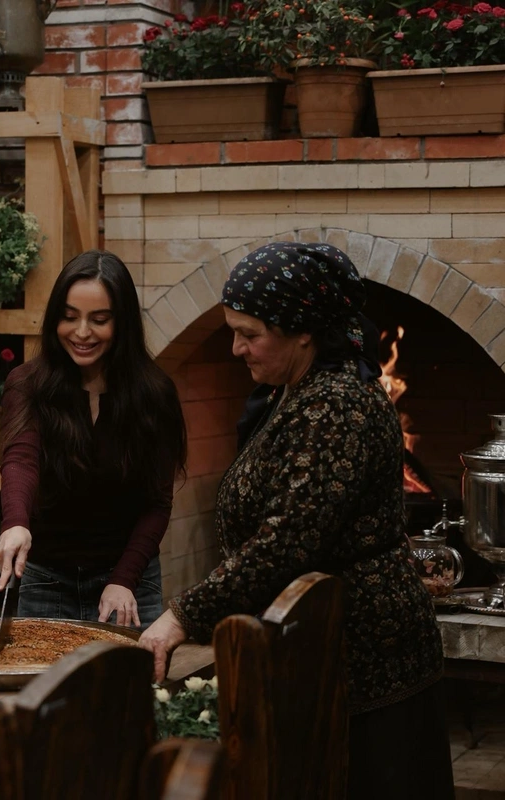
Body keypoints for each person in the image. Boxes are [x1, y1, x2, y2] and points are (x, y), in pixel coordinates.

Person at [138, 241, 455, 799]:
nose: (235, 348)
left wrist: (181, 616)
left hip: (366, 654)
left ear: (303, 331)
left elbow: (287, 541)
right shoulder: (292, 391)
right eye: (232, 331)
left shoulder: (337, 405)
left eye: (250, 334)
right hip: (323, 646)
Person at [0, 249, 186, 629]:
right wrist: (15, 523)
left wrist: (124, 579)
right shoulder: (28, 383)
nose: (82, 332)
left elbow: (157, 502)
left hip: (129, 579)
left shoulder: (154, 394)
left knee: (134, 671)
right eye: (69, 317)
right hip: (46, 576)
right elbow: (21, 458)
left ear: (122, 323)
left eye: (99, 320)